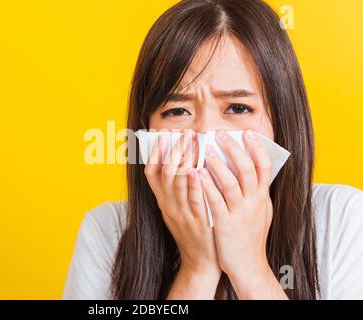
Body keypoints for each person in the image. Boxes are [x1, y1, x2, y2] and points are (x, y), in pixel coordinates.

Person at [63, 0, 363, 299]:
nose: (205, 134)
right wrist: (197, 270)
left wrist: (252, 270)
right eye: (178, 111)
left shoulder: (343, 220)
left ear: (282, 124)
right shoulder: (107, 232)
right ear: (146, 127)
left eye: (237, 107)